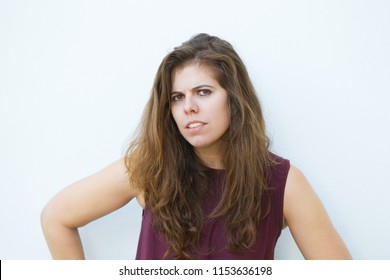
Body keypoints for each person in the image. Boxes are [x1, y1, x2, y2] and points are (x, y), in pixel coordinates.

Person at [41, 33, 352, 260]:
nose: (188, 107)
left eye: (203, 92)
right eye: (177, 97)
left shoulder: (283, 182)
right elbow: (56, 217)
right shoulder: (148, 169)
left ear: (234, 98)